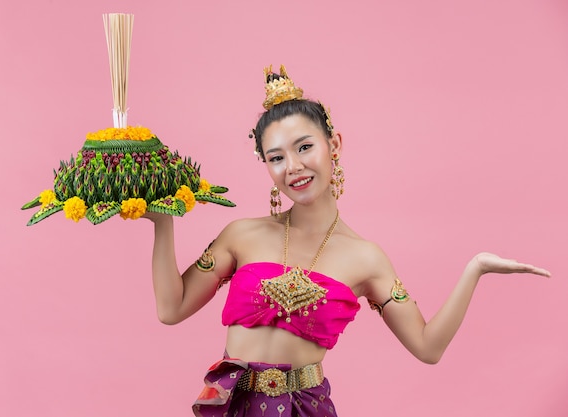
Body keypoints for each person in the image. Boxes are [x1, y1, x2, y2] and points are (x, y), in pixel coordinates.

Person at [144, 65, 551, 417]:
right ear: (266, 165)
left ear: (333, 144)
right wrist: (164, 224)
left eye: (305, 147)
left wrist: (474, 268)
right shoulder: (241, 235)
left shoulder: (366, 259)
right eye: (277, 157)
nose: (295, 167)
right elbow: (171, 308)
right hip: (234, 405)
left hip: (305, 408)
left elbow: (428, 348)